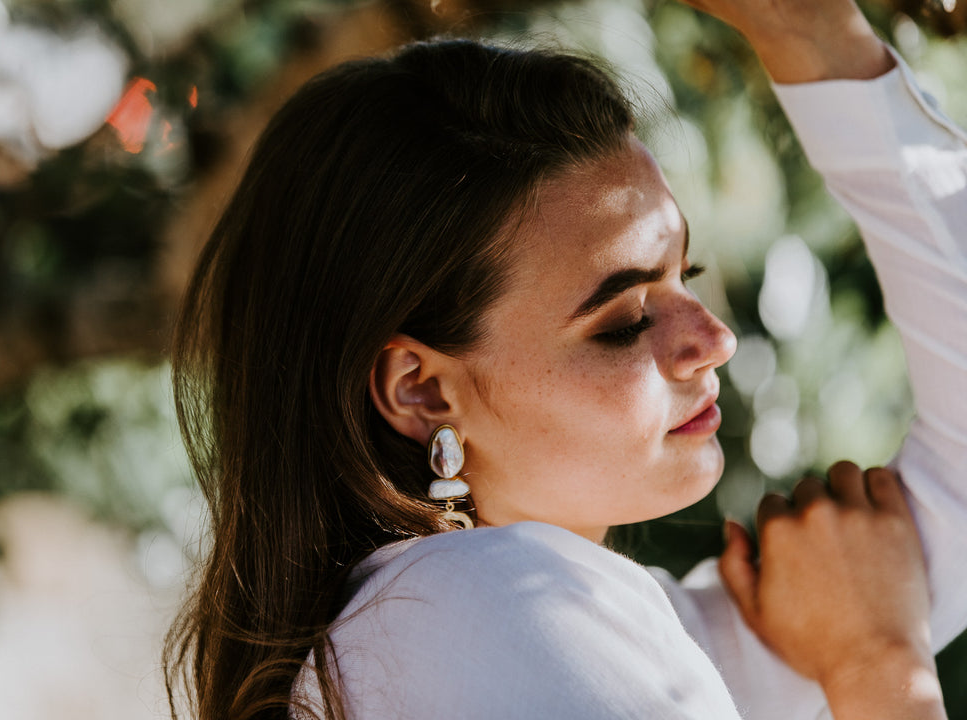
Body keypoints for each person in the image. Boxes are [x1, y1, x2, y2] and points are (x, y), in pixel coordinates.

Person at [164, 0, 967, 717]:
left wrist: (815, 35)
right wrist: (876, 665)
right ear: (421, 392)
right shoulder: (467, 608)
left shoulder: (510, 634)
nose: (714, 339)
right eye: (624, 318)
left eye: (683, 276)